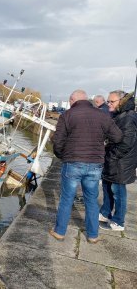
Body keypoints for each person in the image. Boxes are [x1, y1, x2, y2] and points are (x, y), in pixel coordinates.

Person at [50, 89, 122, 243]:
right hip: (95, 164)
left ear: (72, 101)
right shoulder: (102, 115)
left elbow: (58, 141)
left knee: (67, 198)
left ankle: (60, 231)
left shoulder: (67, 115)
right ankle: (93, 235)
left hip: (73, 162)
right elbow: (117, 137)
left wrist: (62, 156)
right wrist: (102, 144)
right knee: (91, 199)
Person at [99, 91, 137, 231]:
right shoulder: (119, 115)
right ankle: (105, 213)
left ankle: (118, 221)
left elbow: (126, 142)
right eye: (108, 101)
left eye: (111, 101)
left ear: (121, 101)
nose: (108, 104)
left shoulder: (129, 117)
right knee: (107, 187)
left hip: (121, 162)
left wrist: (112, 156)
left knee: (118, 191)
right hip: (113, 159)